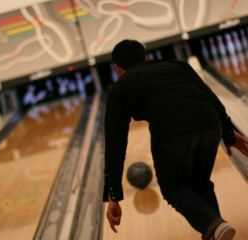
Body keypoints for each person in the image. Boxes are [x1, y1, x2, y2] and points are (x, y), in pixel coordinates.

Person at [103, 39, 248, 240]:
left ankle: (212, 225)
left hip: (171, 131)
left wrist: (113, 195)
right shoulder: (178, 65)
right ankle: (214, 231)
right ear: (147, 58)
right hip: (209, 124)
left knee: (174, 188)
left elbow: (115, 144)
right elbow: (211, 97)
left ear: (117, 68)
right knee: (200, 182)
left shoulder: (119, 89)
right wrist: (229, 134)